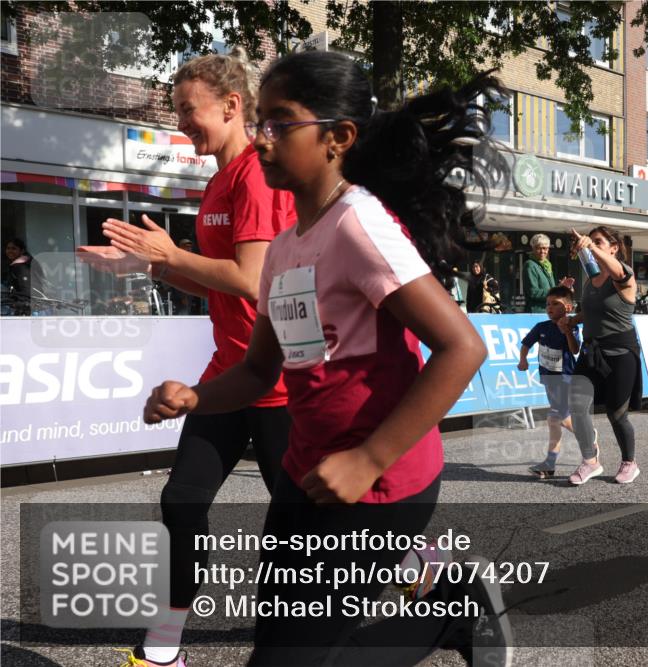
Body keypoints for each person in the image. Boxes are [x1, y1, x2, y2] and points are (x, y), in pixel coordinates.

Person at [143, 52, 513, 665]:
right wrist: (196, 398)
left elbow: (462, 347)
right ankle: (448, 603)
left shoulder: (358, 226)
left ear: (338, 137)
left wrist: (370, 458)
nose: (262, 138)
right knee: (281, 643)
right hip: (305, 474)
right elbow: (262, 371)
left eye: (279, 123)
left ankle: (453, 610)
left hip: (380, 484)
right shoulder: (288, 245)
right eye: (261, 121)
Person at [103, 49, 297, 667]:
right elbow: (215, 282)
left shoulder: (258, 176)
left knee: (322, 520)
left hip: (281, 383)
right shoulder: (217, 180)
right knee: (182, 500)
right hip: (227, 375)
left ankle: (431, 571)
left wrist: (168, 256)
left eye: (190, 111)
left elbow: (251, 279)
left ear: (232, 105)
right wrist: (151, 265)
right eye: (178, 112)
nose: (183, 123)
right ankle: (163, 647)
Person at [559, 226, 642, 486]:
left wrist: (589, 246)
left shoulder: (623, 276)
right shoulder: (591, 278)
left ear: (613, 248)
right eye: (591, 240)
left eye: (599, 242)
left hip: (620, 353)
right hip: (591, 351)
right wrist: (573, 321)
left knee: (616, 414)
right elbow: (593, 310)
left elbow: (617, 271)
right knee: (577, 407)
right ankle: (591, 461)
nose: (592, 245)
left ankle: (630, 462)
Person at [517, 285, 581, 478]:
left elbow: (575, 350)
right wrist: (523, 359)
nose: (549, 307)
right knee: (554, 419)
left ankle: (587, 437)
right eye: (547, 304)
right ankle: (550, 463)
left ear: (568, 308)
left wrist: (567, 331)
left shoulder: (572, 326)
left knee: (558, 416)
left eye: (555, 304)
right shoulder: (541, 327)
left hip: (566, 379)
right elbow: (526, 344)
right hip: (548, 379)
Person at [3, 237, 44, 315]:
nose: (10, 251)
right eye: (8, 248)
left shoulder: (21, 266)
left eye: (14, 248)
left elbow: (26, 289)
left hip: (29, 309)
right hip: (34, 307)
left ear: (22, 251)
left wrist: (21, 304)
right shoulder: (27, 263)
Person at [524, 233, 556, 313]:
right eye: (539, 248)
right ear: (533, 249)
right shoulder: (530, 265)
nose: (542, 251)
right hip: (536, 312)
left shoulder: (547, 265)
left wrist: (562, 288)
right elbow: (533, 293)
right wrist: (555, 290)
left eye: (545, 248)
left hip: (549, 311)